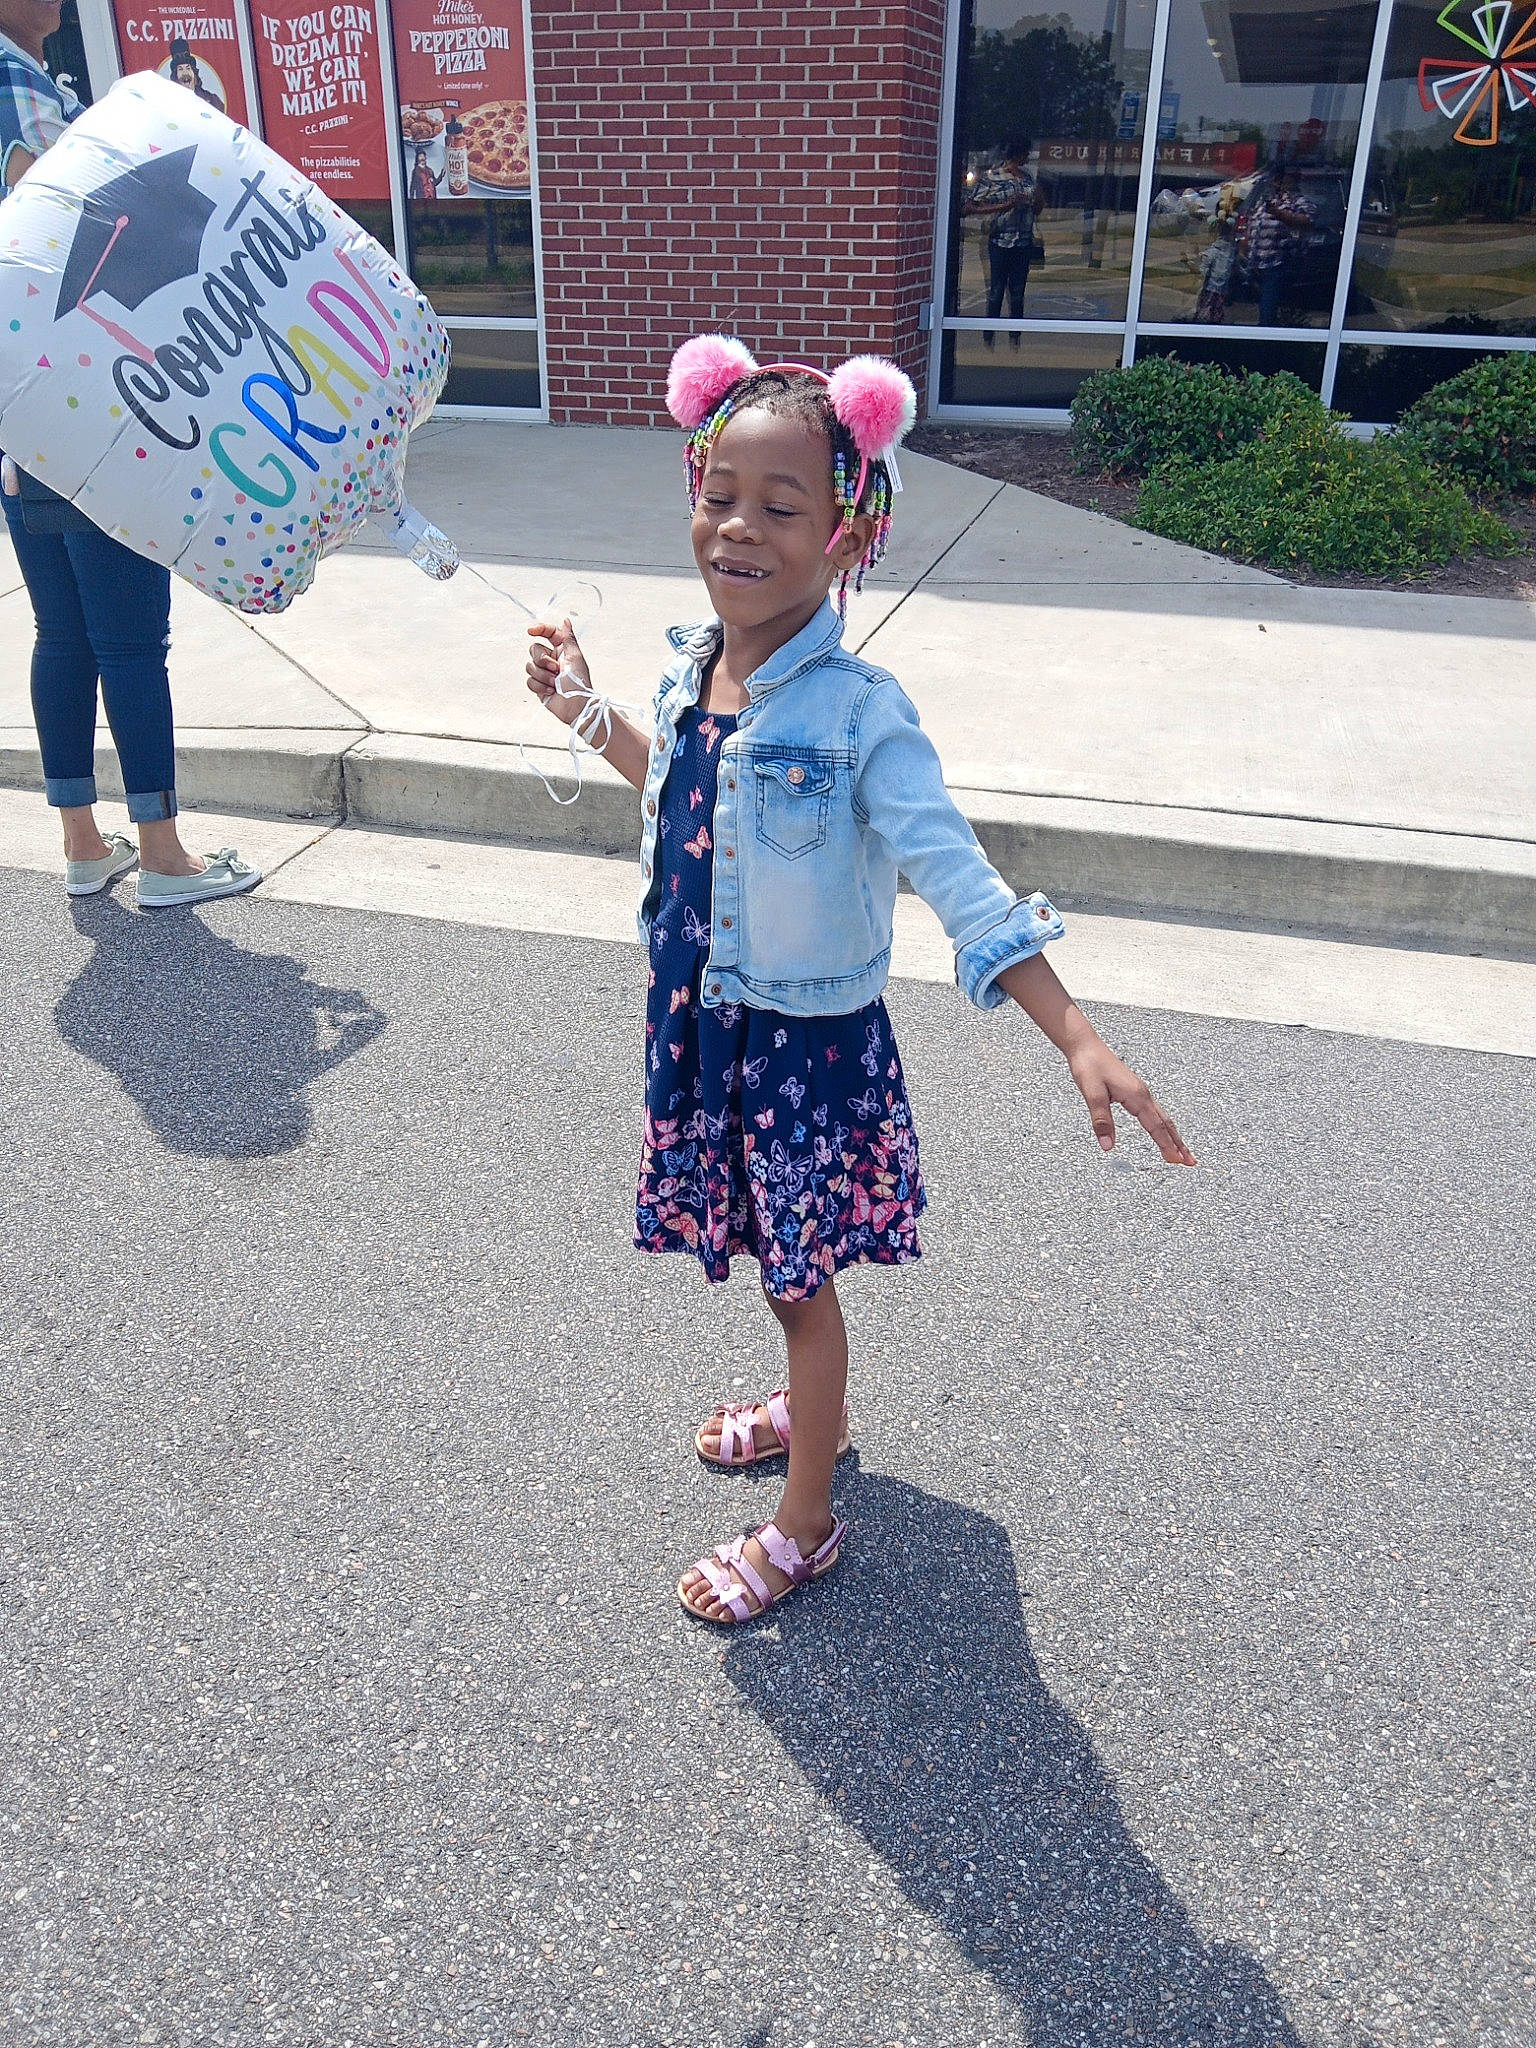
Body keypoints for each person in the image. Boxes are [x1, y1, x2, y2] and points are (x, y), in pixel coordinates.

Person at [524, 338, 1196, 1625]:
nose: (739, 526)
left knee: (799, 1283)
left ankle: (808, 1515)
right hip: (705, 1032)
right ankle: (803, 1412)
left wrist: (1074, 1032)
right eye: (720, 493)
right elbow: (675, 794)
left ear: (846, 534)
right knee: (778, 1263)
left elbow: (957, 875)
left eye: (781, 507)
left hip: (796, 1055)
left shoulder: (860, 714)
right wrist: (582, 707)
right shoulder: (690, 670)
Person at [0, 0, 258, 905]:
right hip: (85, 413)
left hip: (17, 425)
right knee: (130, 641)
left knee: (61, 633)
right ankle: (162, 855)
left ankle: (82, 844)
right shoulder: (19, 92)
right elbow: (54, 250)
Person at [966, 137, 1040, 349]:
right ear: (1016, 154)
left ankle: (1015, 339)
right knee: (996, 290)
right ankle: (988, 337)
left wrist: (1036, 201)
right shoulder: (992, 177)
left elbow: (1036, 209)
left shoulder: (1027, 178)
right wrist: (1005, 205)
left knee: (1017, 292)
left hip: (1023, 241)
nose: (1027, 157)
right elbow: (969, 208)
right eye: (1025, 153)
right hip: (999, 240)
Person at [1245, 169, 1316, 328]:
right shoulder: (1266, 202)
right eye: (1275, 179)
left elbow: (1304, 220)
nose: (1276, 182)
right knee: (1255, 303)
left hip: (1278, 263)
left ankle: (1267, 336)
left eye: (1281, 179)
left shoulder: (1299, 202)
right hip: (1256, 263)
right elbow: (1252, 224)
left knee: (1268, 309)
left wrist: (1278, 213)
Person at [166, 39, 224, 112]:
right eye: (180, 69)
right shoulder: (169, 103)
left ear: (194, 73)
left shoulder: (212, 100)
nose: (185, 73)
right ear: (175, 77)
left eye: (188, 68)